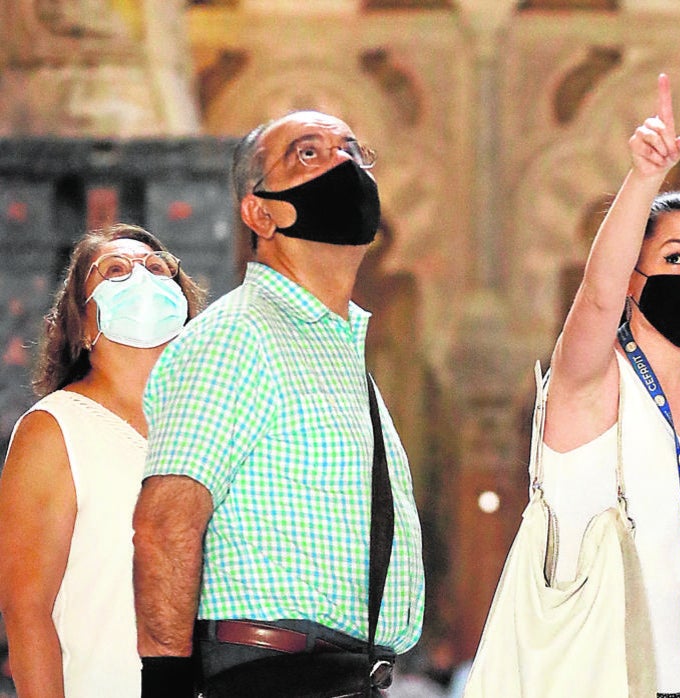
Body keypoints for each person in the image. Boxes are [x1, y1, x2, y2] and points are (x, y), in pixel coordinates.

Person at [131, 111, 425, 696]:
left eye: (351, 149)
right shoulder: (239, 334)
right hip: (271, 673)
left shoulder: (331, 346)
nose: (342, 163)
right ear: (260, 212)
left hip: (341, 676)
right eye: (308, 154)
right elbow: (165, 524)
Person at [538, 74, 680, 698]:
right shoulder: (592, 373)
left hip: (675, 685)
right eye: (674, 258)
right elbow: (595, 299)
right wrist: (644, 178)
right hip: (590, 680)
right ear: (634, 273)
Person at [0, 223, 204, 697]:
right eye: (116, 271)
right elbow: (26, 611)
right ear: (83, 323)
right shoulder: (56, 428)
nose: (144, 279)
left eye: (158, 269)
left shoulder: (206, 427)